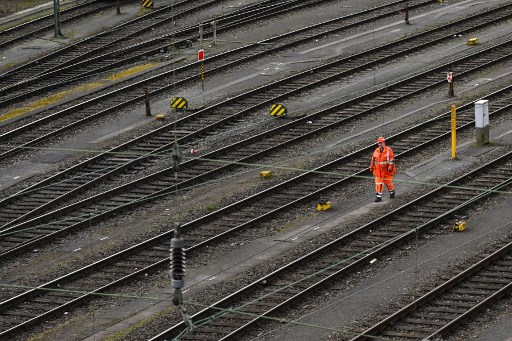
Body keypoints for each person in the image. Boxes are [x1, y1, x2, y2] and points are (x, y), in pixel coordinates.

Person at [369, 137, 396, 202]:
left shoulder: (388, 150)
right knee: (379, 183)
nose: (381, 144)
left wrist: (390, 167)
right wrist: (371, 167)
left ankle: (392, 192)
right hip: (378, 171)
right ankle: (378, 197)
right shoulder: (376, 151)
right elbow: (373, 159)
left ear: (384, 143)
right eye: (380, 143)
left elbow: (391, 159)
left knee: (389, 183)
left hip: (386, 171)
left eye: (382, 142)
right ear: (378, 144)